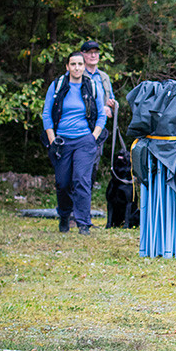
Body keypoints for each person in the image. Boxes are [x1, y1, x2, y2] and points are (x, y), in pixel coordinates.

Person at [42, 51, 105, 235]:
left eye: (80, 64)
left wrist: (93, 136)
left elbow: (101, 115)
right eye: (73, 64)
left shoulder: (92, 87)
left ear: (84, 66)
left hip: (85, 140)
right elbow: (47, 114)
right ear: (67, 67)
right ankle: (64, 216)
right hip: (62, 141)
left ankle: (84, 223)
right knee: (62, 183)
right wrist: (53, 140)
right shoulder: (58, 86)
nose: (77, 68)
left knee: (81, 180)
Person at [80, 40, 117, 175]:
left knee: (94, 165)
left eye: (96, 53)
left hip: (99, 128)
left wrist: (113, 106)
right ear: (82, 54)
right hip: (81, 127)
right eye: (90, 53)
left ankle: (87, 194)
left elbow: (110, 101)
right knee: (80, 165)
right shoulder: (77, 75)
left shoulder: (104, 77)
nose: (93, 55)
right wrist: (102, 109)